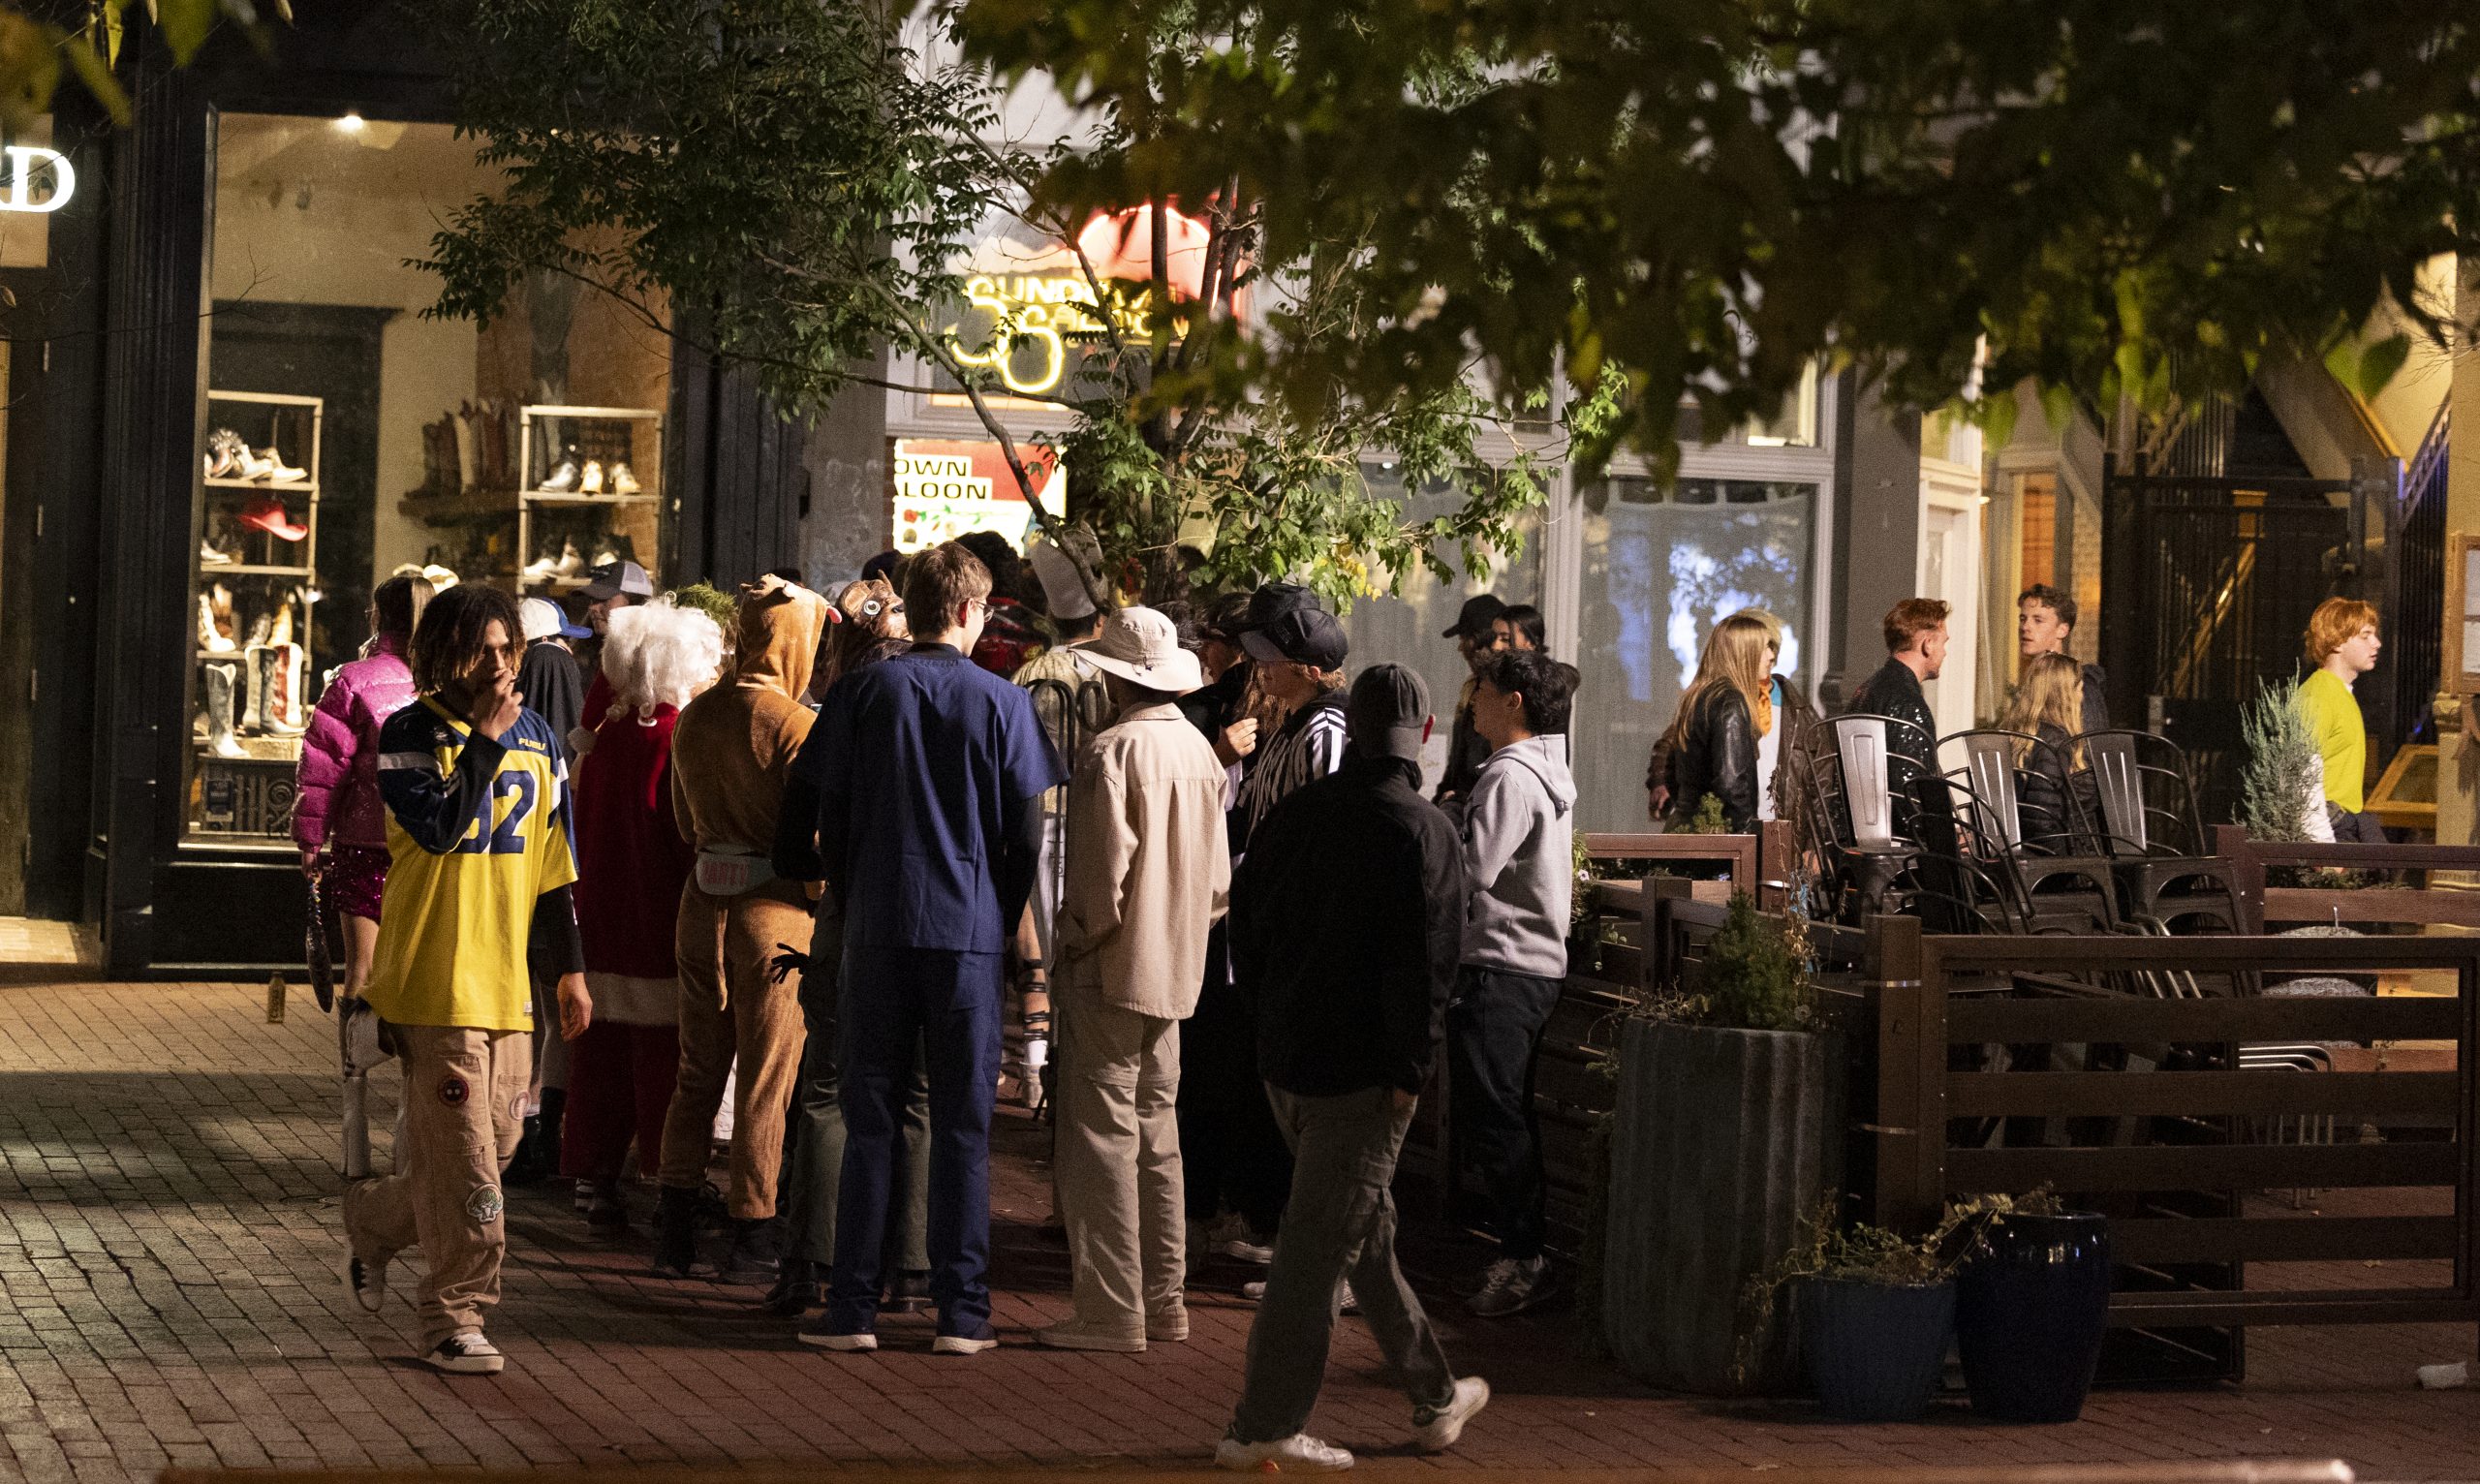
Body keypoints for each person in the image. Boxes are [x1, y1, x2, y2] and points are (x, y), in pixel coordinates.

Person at [795, 541, 1066, 1354]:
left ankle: (851, 1307)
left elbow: (828, 811)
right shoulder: (1004, 703)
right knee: (961, 1129)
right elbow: (1026, 833)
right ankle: (963, 1312)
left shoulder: (862, 692)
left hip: (879, 925)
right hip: (968, 932)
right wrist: (1000, 914)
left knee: (869, 1117)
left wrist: (852, 892)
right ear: (970, 609)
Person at [1218, 665, 1488, 1470]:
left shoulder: (1295, 815)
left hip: (1288, 1060)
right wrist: (1412, 1070)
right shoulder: (1424, 831)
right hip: (1364, 1074)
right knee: (1317, 1251)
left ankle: (1434, 1394)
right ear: (1425, 735)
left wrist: (1266, 1020)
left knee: (1357, 1228)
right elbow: (1431, 964)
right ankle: (1264, 1424)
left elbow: (1245, 928)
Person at [341, 582, 592, 1376]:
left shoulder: (540, 738)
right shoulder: (410, 733)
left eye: (506, 648)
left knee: (491, 1150)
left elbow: (554, 867)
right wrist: (482, 738)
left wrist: (570, 971)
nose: (497, 664)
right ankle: (454, 1315)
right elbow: (441, 828)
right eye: (479, 650)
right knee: (472, 1172)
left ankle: (375, 1222)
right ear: (440, 655)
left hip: (509, 987)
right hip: (436, 983)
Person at [1038, 607, 1232, 1351]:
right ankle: (1164, 1300)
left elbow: (1098, 886)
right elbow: (1218, 887)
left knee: (1102, 1141)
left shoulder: (1110, 751)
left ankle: (1112, 1311)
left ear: (1115, 679)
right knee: (1158, 1135)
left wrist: (1071, 944)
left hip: (1108, 968)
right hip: (1176, 969)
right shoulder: (1199, 752)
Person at [650, 575, 831, 1286]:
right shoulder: (794, 725)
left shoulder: (695, 716)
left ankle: (673, 1224)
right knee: (765, 1079)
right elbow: (813, 839)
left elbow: (682, 823)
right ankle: (753, 1231)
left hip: (700, 907)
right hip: (775, 917)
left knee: (696, 1071)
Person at [768, 575, 933, 1319]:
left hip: (851, 910)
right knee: (917, 1095)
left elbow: (789, 843)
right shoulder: (966, 704)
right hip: (936, 919)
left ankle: (809, 1262)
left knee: (829, 1089)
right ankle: (912, 1269)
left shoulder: (841, 709)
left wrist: (830, 869)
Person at [1192, 602, 1350, 1271]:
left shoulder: (1326, 733)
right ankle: (1277, 1229)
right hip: (1268, 927)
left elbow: (1324, 838)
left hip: (1295, 933)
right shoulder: (1291, 728)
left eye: (1272, 658)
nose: (1259, 668)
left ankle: (1302, 1247)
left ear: (1308, 669)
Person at [561, 600, 723, 1227]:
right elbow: (685, 836)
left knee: (599, 1057)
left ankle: (593, 1174)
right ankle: (668, 1173)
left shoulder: (603, 740)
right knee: (663, 1061)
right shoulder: (678, 739)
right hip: (660, 916)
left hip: (600, 915)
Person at [1448, 648, 1578, 1318]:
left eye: (1482, 688)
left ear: (1514, 701)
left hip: (1500, 963)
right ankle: (1521, 1250)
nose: (1472, 699)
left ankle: (1523, 1257)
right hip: (1532, 966)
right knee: (1508, 1111)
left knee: (1496, 1114)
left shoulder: (1508, 775)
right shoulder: (1546, 770)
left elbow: (1472, 871)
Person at [294, 572, 432, 1002]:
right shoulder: (444, 681)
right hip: (425, 843)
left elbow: (324, 766)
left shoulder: (352, 680)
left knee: (361, 969)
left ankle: (355, 1048)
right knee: (417, 970)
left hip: (362, 842)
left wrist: (310, 841)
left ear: (376, 617)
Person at [508, 595, 593, 1183]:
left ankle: (525, 1129)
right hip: (549, 880)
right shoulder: (554, 672)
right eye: (560, 644)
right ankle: (531, 1130)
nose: (568, 653)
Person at [1660, 614, 1773, 832]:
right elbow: (1731, 785)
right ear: (1745, 653)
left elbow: (1672, 773)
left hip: (1686, 829)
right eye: (1765, 647)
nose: (1771, 655)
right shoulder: (1730, 702)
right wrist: (1746, 839)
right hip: (1716, 838)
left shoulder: (1697, 696)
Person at [2298, 597, 2385, 845]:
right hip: (2333, 825)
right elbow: (2303, 774)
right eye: (2365, 635)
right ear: (2336, 641)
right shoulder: (2319, 695)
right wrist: (2324, 845)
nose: (2376, 643)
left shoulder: (2340, 692)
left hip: (2347, 820)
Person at [1995, 652, 2096, 847]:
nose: (2082, 697)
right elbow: (2041, 822)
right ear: (2065, 695)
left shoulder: (2018, 736)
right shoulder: (2054, 743)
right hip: (2057, 857)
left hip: (2018, 848)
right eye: (2079, 689)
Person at [1846, 598, 1947, 773]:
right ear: (1928, 644)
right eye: (1943, 643)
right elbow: (1912, 784)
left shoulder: (1868, 689)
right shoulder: (1909, 705)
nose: (1945, 652)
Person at [1433, 595, 1509, 809]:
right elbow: (1457, 764)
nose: (1460, 648)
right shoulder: (1472, 687)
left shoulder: (1505, 693)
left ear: (1478, 640)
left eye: (1463, 638)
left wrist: (1463, 798)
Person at [2016, 583, 2109, 734]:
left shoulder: (2080, 683)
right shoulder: (2033, 681)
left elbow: (2091, 740)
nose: (2025, 627)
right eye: (2023, 619)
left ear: (2062, 630)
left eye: (2038, 620)